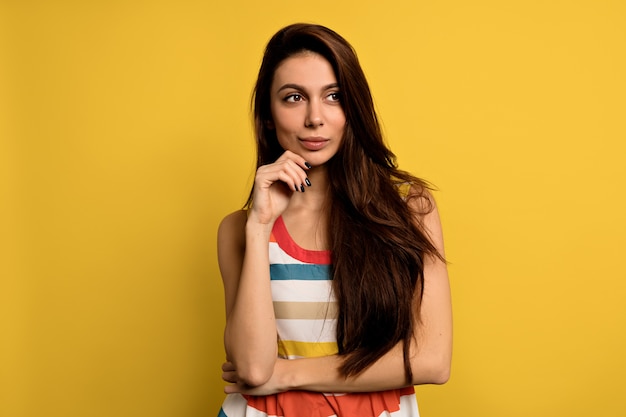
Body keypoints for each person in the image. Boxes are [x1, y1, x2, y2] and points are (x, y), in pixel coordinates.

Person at [217, 23, 452, 417]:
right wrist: (259, 227)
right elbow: (254, 368)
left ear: (354, 107)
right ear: (269, 116)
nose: (315, 118)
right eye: (293, 97)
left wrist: (288, 375)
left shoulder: (409, 210)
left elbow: (432, 359)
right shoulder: (239, 229)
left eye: (333, 97)